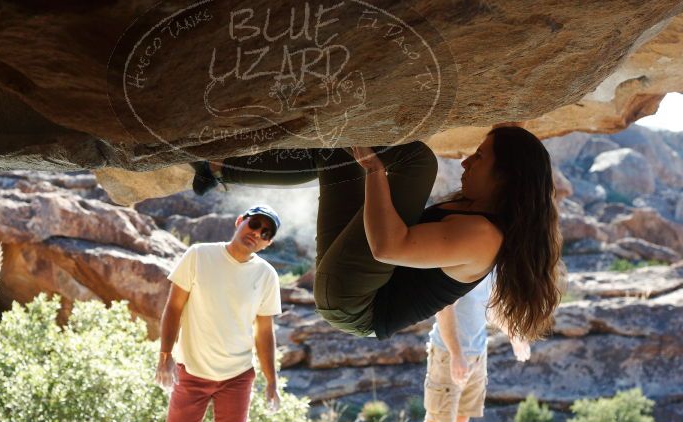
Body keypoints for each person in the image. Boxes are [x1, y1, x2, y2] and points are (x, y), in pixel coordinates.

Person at [191, 126, 563, 342]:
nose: (466, 161)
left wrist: (374, 168)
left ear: (507, 177)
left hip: (357, 303)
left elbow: (387, 246)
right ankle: (217, 169)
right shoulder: (475, 214)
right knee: (336, 150)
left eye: (480, 157)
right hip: (353, 286)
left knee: (419, 160)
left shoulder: (484, 236)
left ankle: (220, 167)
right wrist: (366, 162)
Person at [155, 205, 283, 422]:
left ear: (268, 243)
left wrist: (271, 382)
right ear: (239, 221)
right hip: (191, 372)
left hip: (237, 377)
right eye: (254, 224)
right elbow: (173, 309)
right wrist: (165, 356)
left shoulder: (267, 276)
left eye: (265, 233)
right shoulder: (198, 255)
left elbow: (264, 333)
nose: (257, 233)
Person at [412, 272, 531, 422]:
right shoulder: (465, 261)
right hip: (448, 355)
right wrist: (456, 354)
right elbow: (444, 310)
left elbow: (493, 308)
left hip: (477, 355)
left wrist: (515, 336)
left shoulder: (494, 264)